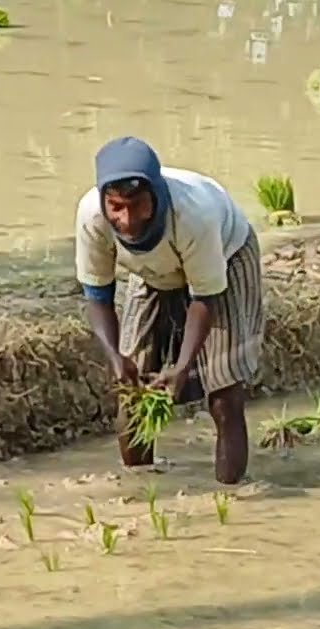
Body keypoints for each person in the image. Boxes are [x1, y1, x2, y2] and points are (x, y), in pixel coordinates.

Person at [75, 136, 265, 485]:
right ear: (104, 201)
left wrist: (183, 366)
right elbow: (98, 295)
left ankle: (230, 496)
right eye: (116, 207)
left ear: (156, 195)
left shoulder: (193, 215)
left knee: (224, 393)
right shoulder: (91, 217)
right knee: (131, 391)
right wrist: (116, 357)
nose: (128, 220)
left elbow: (205, 298)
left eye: (138, 206)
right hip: (152, 270)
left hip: (226, 257)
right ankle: (139, 488)